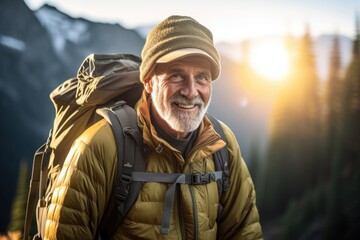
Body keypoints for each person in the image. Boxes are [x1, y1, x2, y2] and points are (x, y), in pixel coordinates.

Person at [44, 15, 263, 239]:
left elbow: (244, 231)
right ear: (148, 81)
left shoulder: (223, 145)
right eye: (176, 75)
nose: (190, 91)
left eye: (201, 78)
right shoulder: (102, 146)